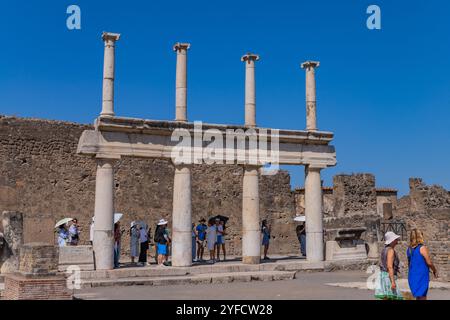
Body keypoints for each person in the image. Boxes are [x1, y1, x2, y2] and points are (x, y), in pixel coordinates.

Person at [407, 229, 438, 300]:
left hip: (412, 275)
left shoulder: (409, 249)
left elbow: (409, 264)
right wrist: (434, 270)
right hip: (421, 275)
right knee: (423, 296)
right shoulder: (422, 248)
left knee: (418, 297)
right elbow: (429, 262)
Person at [375, 231, 403, 300]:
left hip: (383, 276)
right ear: (392, 240)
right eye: (396, 239)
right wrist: (393, 282)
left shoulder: (384, 250)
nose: (397, 241)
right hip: (388, 277)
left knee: (386, 297)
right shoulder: (390, 251)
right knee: (392, 297)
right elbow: (390, 266)